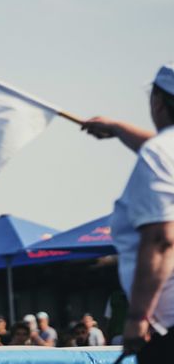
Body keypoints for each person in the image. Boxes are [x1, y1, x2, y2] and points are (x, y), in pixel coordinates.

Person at [82, 63, 174, 362]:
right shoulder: (161, 150)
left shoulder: (159, 153)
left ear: (157, 102)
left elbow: (161, 241)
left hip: (166, 327)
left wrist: (137, 318)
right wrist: (119, 128)